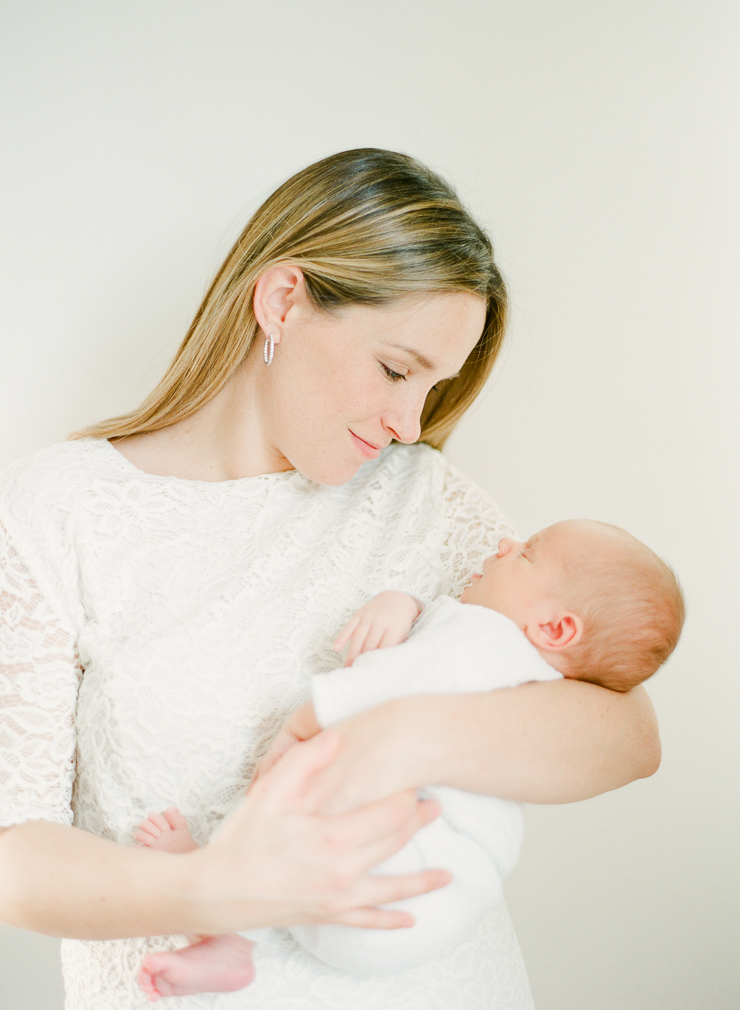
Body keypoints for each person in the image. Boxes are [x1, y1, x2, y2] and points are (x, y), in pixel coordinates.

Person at [0, 149, 661, 1010]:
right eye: (396, 369)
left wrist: (396, 738)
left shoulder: (424, 502)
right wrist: (220, 890)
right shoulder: (62, 509)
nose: (409, 422)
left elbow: (628, 732)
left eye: (434, 387)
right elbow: (13, 854)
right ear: (282, 301)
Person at [134, 518, 684, 997]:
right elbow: (436, 662)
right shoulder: (533, 675)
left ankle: (227, 930)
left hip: (393, 869)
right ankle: (234, 929)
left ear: (556, 627)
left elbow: (390, 682)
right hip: (426, 908)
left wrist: (299, 728)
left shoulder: (484, 636)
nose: (502, 543)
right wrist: (408, 604)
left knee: (291, 793)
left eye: (526, 552)